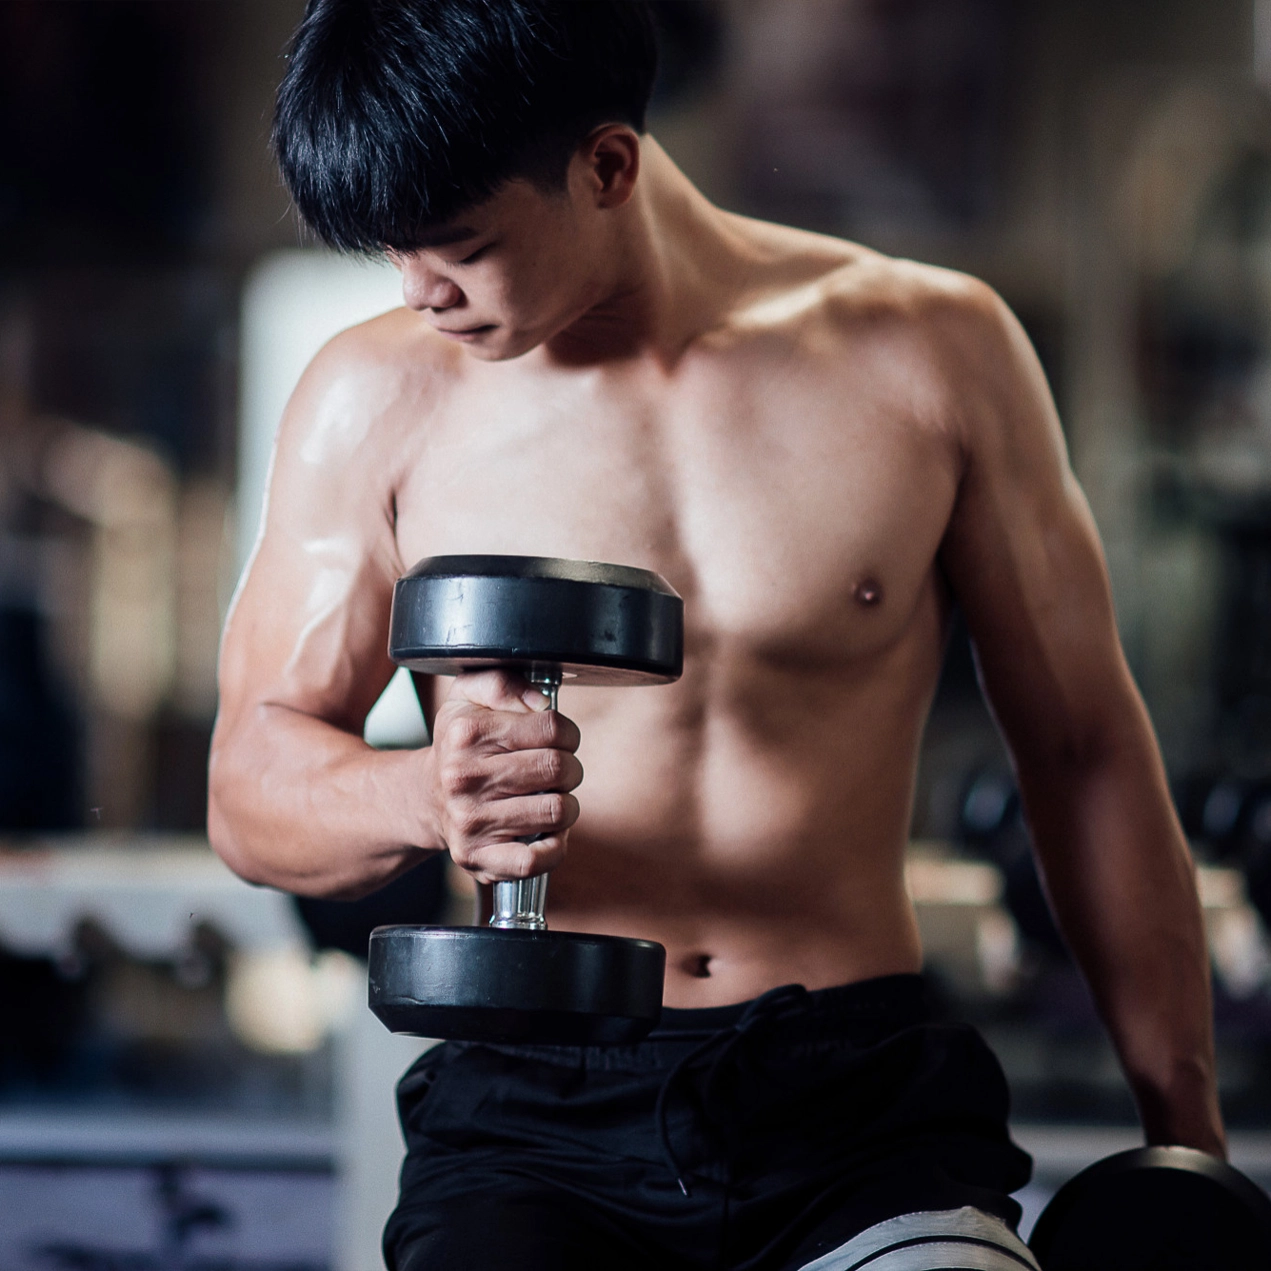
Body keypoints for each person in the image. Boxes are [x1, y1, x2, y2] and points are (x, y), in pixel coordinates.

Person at [209, 2, 1226, 1267]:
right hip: (532, 1115)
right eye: (394, 253)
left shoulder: (932, 353)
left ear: (605, 166)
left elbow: (1081, 751)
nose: (421, 292)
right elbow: (248, 786)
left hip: (852, 1103)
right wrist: (419, 794)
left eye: (462, 246)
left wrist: (1183, 1133)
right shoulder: (372, 397)